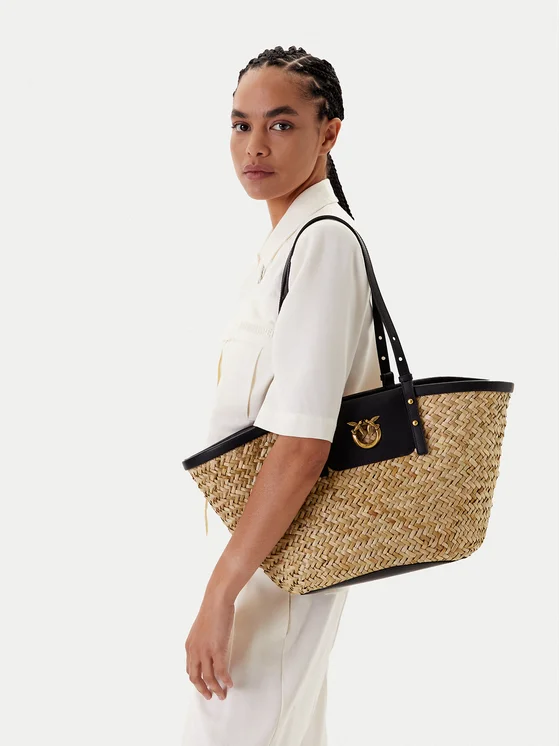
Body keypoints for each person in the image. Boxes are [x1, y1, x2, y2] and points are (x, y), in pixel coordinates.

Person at [181, 45, 382, 746]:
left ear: (329, 133)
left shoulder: (322, 244)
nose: (255, 146)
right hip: (263, 559)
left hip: (277, 571)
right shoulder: (287, 246)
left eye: (282, 124)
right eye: (241, 124)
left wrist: (221, 593)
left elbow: (301, 444)